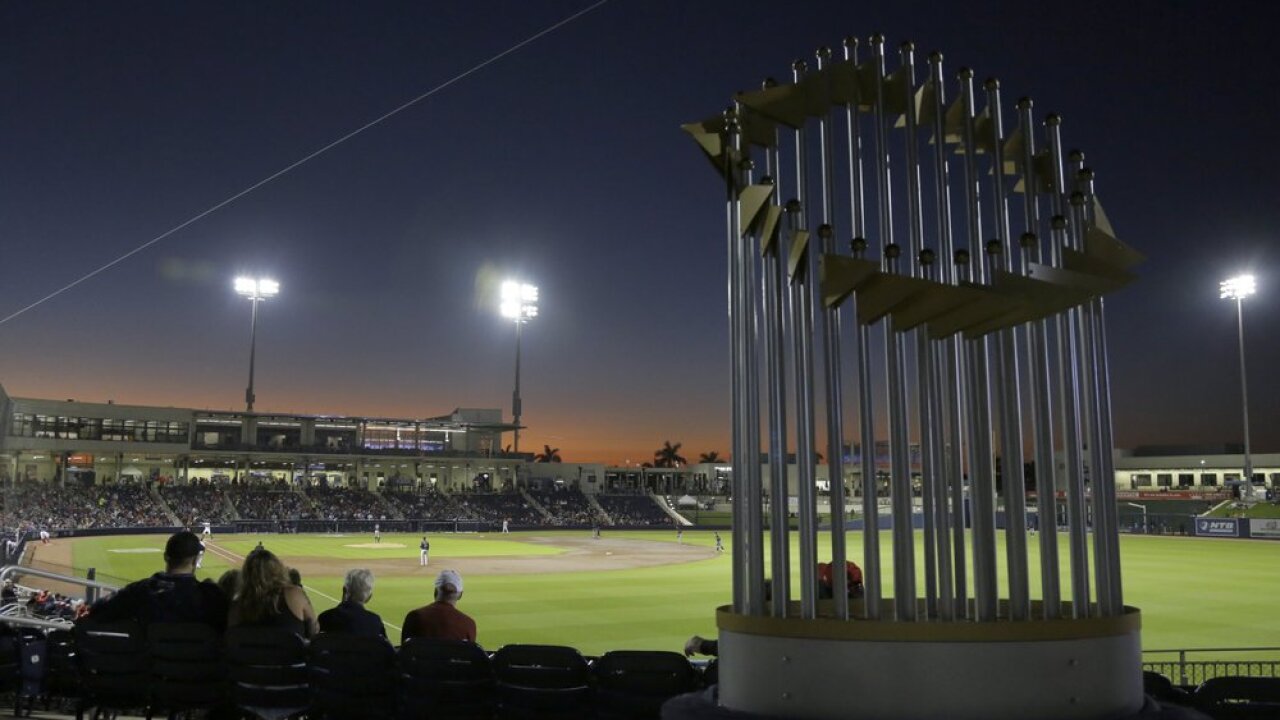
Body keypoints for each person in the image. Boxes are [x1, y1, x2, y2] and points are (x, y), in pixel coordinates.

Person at [84, 530, 227, 631]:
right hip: (198, 671)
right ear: (196, 560)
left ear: (165, 557)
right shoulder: (211, 595)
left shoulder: (139, 590)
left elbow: (97, 611)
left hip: (149, 669)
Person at [229, 548, 319, 638]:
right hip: (288, 651)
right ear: (277, 569)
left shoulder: (237, 604)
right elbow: (314, 630)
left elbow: (231, 635)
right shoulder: (294, 593)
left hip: (250, 651)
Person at [400, 569, 475, 644]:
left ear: (435, 591)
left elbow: (405, 651)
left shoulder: (414, 617)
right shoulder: (469, 624)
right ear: (460, 595)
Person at [318, 568, 387, 638]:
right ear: (369, 598)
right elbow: (385, 647)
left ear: (344, 591)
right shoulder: (375, 622)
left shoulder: (325, 617)